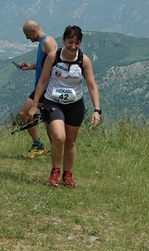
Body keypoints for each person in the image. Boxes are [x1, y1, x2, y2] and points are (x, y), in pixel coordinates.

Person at [28, 25, 101, 187]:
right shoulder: (54, 57)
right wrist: (34, 106)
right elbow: (42, 81)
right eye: (70, 42)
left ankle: (68, 175)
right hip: (53, 102)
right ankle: (55, 172)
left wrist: (97, 110)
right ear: (63, 41)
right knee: (59, 137)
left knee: (71, 141)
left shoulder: (83, 60)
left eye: (77, 43)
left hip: (75, 105)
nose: (73, 46)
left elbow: (92, 85)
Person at [17, 20, 58, 159]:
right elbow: (46, 65)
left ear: (33, 31)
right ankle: (53, 151)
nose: (27, 38)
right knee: (47, 120)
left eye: (27, 34)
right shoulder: (43, 42)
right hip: (43, 87)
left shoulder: (48, 42)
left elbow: (57, 65)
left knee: (24, 113)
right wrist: (29, 66)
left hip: (46, 88)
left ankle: (39, 146)